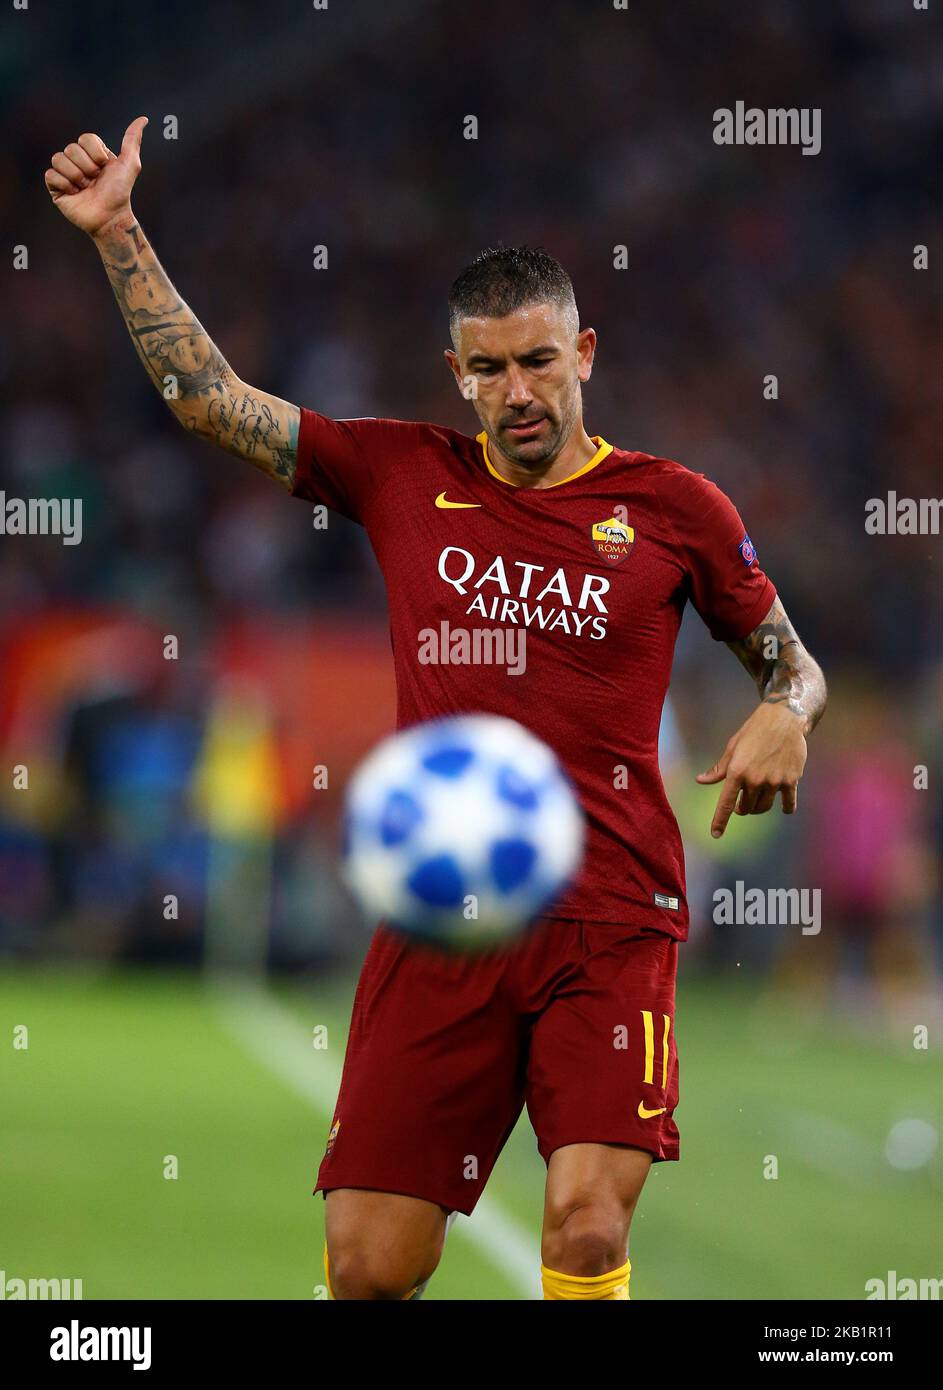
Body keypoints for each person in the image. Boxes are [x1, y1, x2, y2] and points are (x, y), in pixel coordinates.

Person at [46, 117, 827, 1301]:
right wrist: (117, 233)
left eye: (538, 360)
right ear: (456, 373)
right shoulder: (403, 473)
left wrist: (791, 710)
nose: (516, 391)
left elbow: (794, 664)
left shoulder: (675, 509)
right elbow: (208, 399)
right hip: (440, 924)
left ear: (584, 353)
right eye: (488, 367)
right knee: (369, 1270)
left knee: (582, 1225)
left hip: (611, 919)